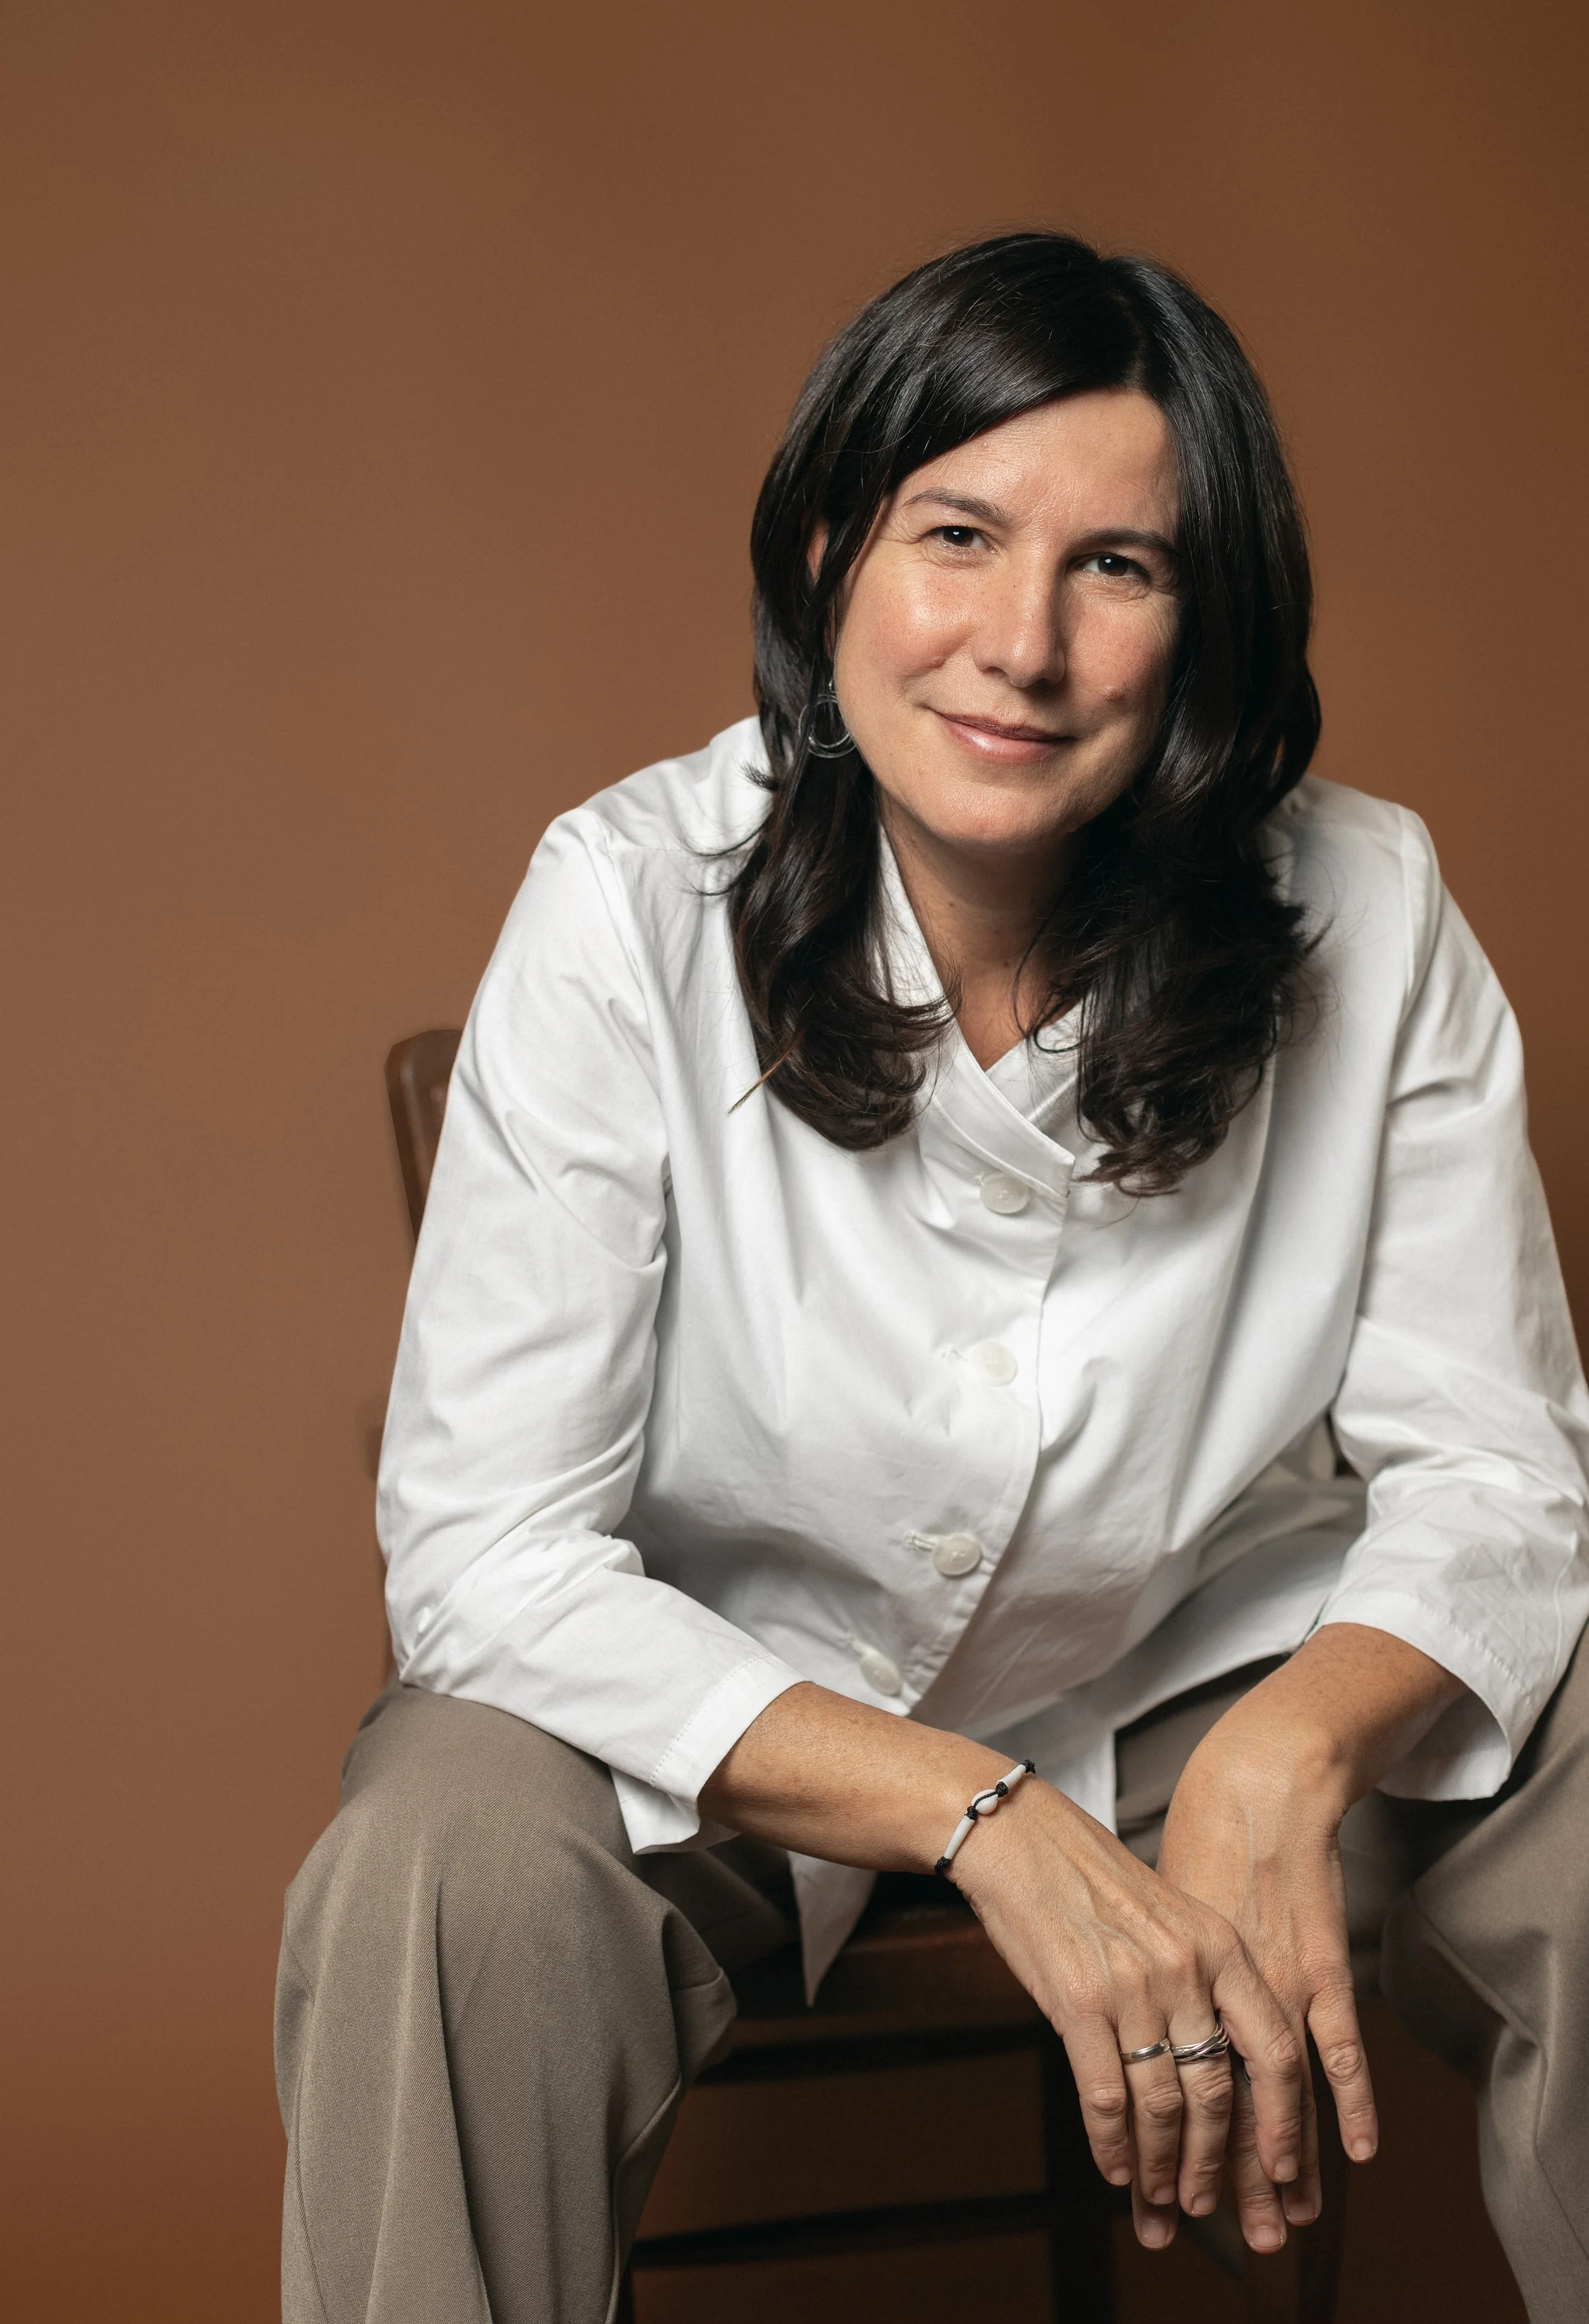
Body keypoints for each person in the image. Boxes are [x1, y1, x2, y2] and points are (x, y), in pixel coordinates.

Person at [275, 233, 1589, 2324]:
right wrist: (976, 1812)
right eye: (953, 535)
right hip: (741, 1697)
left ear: (1205, 618)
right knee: (438, 1856)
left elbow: (1499, 1477)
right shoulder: (625, 902)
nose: (1019, 643)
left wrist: (1287, 1746)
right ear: (826, 559)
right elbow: (484, 1557)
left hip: (1200, 1662)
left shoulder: (1369, 895)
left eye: (1120, 568)